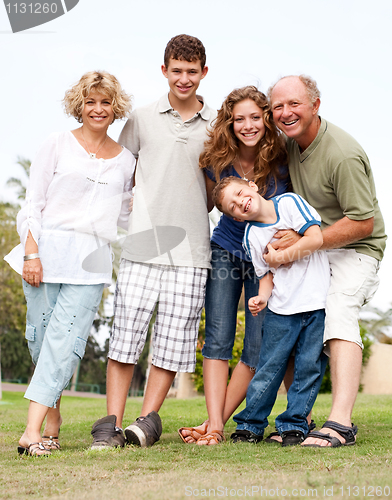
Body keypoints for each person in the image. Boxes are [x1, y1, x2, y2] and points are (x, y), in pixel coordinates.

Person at [90, 34, 216, 449]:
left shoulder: (216, 126)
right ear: (164, 71)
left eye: (191, 72)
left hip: (193, 252)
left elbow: (220, 188)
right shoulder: (141, 119)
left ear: (203, 73)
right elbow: (117, 177)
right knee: (125, 338)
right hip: (142, 247)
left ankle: (144, 424)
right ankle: (111, 424)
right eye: (176, 71)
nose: (184, 79)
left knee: (171, 343)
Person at [4, 71, 135, 456]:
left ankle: (31, 432)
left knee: (65, 343)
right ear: (79, 105)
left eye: (105, 102)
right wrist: (31, 252)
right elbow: (34, 203)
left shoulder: (126, 161)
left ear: (116, 108)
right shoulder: (56, 144)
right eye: (90, 101)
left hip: (92, 262)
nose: (98, 109)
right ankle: (53, 417)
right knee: (41, 341)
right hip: (45, 253)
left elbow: (127, 215)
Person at [268, 75, 386, 447]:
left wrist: (306, 241)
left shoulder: (342, 153)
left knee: (338, 308)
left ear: (315, 106)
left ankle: (341, 423)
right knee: (289, 312)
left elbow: (363, 221)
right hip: (319, 245)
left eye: (294, 105)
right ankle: (298, 418)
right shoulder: (289, 147)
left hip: (358, 247)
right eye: (278, 107)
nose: (285, 113)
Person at [178, 86, 289, 446]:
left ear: (266, 118)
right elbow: (209, 204)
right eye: (239, 118)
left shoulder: (283, 158)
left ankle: (214, 426)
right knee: (218, 339)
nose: (247, 125)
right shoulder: (217, 159)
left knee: (256, 349)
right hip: (225, 250)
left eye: (255, 117)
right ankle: (214, 426)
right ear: (229, 122)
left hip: (264, 260)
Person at [213, 176, 329, 446]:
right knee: (268, 368)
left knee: (308, 368)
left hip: (315, 303)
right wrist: (261, 298)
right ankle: (250, 424)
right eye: (232, 206)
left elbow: (315, 238)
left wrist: (280, 256)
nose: (240, 202)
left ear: (252, 185)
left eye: (240, 193)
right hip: (280, 308)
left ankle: (294, 424)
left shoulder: (289, 202)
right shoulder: (251, 235)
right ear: (236, 218)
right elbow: (265, 275)